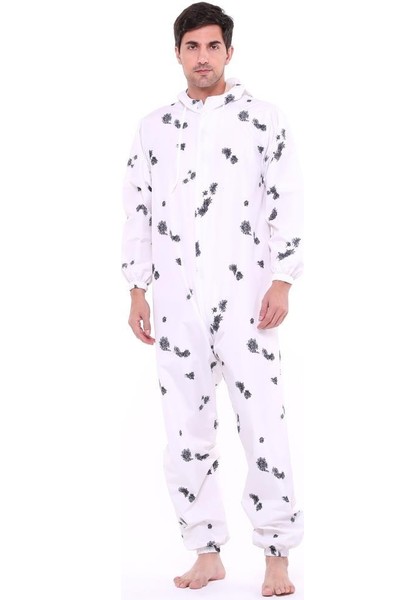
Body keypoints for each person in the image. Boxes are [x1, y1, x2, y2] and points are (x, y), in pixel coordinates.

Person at [120, 2, 304, 595]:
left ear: (229, 51)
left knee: (263, 423)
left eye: (212, 46)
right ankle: (206, 551)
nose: (203, 57)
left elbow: (286, 199)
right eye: (192, 47)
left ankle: (276, 552)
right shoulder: (153, 128)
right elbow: (138, 208)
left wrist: (282, 277)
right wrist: (137, 287)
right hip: (176, 302)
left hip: (248, 297)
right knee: (184, 430)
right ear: (178, 53)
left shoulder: (262, 120)